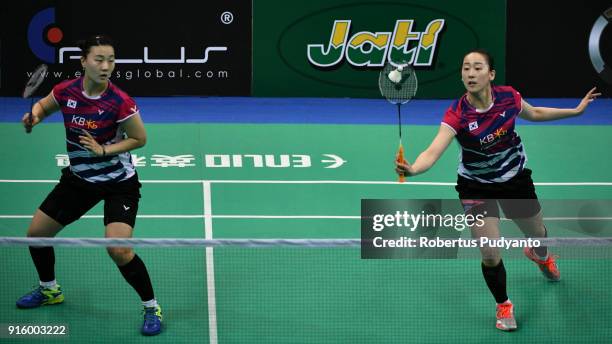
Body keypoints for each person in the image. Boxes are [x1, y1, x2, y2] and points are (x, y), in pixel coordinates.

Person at [395, 48, 600, 331]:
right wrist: (414, 169)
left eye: (477, 67)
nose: (470, 73)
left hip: (515, 179)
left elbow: (536, 112)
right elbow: (433, 150)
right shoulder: (457, 114)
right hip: (476, 185)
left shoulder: (508, 97)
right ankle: (503, 304)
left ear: (490, 74)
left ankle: (539, 254)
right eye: (466, 68)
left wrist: (575, 111)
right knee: (490, 254)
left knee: (536, 234)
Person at [17, 34, 162, 336]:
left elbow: (140, 139)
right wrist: (34, 117)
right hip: (79, 179)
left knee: (118, 249)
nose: (106, 65)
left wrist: (104, 150)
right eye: (99, 59)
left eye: (111, 59)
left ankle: (151, 307)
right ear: (84, 62)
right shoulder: (66, 90)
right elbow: (44, 107)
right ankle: (49, 290)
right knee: (37, 234)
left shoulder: (120, 102)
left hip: (118, 184)